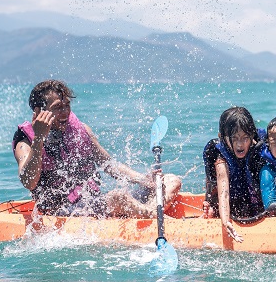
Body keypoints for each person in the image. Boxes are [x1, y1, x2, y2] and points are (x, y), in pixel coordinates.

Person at [12, 79, 182, 218]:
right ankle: (156, 216)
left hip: (93, 204)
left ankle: (147, 213)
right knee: (118, 197)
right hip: (63, 213)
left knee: (170, 181)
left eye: (67, 105)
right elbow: (29, 181)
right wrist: (39, 138)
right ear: (39, 111)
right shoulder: (25, 140)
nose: (65, 112)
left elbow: (109, 164)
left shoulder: (81, 130)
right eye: (57, 107)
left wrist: (143, 180)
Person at [201, 106, 264, 242]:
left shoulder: (260, 144)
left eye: (245, 138)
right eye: (234, 138)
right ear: (222, 137)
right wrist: (225, 221)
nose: (240, 144)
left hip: (252, 200)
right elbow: (224, 192)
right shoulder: (219, 156)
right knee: (211, 211)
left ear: (252, 135)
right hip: (226, 202)